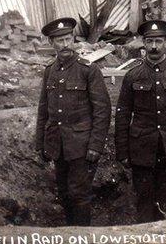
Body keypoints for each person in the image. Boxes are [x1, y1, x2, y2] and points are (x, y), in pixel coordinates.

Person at [114, 20, 166, 223]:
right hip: (141, 147)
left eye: (158, 41)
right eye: (150, 41)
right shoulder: (132, 75)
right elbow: (123, 114)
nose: (154, 46)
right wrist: (123, 151)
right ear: (143, 43)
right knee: (144, 199)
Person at [34, 17, 111, 225]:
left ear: (74, 39)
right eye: (60, 41)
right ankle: (70, 234)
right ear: (52, 44)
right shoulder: (50, 71)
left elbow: (102, 110)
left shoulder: (88, 70)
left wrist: (96, 145)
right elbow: (44, 110)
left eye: (68, 39)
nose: (65, 45)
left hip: (81, 146)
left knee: (79, 194)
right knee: (64, 192)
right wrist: (40, 142)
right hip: (57, 144)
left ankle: (82, 237)